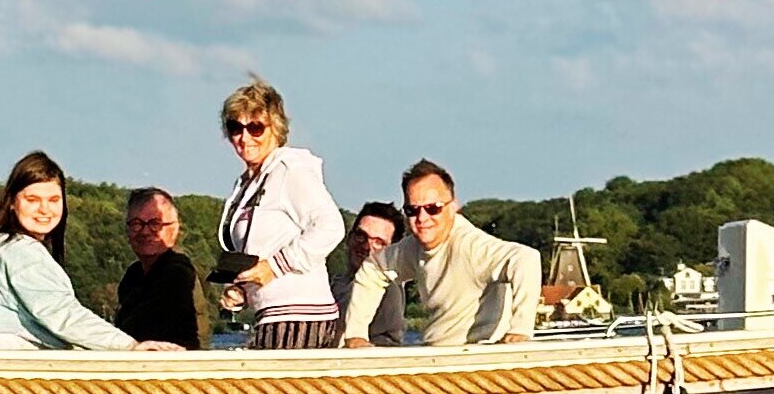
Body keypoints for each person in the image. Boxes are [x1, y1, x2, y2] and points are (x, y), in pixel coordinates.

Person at [0, 152, 181, 351]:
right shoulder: (19, 251)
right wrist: (130, 346)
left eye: (53, 200)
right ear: (12, 203)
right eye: (32, 199)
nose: (44, 209)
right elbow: (61, 314)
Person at [342, 161, 541, 348]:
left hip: (478, 356)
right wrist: (356, 334)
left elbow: (525, 259)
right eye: (412, 210)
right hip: (435, 356)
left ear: (453, 207)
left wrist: (520, 331)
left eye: (433, 208)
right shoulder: (411, 248)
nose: (422, 218)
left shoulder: (471, 246)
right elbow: (373, 270)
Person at [213, 78, 344, 349]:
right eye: (235, 127)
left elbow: (331, 226)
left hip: (301, 316)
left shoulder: (290, 170)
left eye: (256, 127)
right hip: (271, 315)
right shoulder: (248, 183)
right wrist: (243, 290)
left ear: (276, 129)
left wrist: (273, 267)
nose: (244, 137)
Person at [114, 187, 206, 349]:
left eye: (155, 224)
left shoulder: (178, 273)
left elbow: (141, 329)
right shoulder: (134, 274)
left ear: (175, 228)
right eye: (137, 224)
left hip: (178, 367)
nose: (145, 231)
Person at [333, 201, 406, 345]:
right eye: (361, 235)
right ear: (349, 237)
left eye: (378, 242)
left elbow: (387, 345)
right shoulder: (333, 284)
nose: (366, 246)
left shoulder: (386, 290)